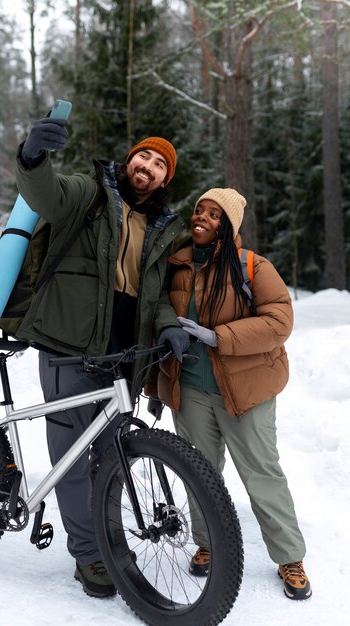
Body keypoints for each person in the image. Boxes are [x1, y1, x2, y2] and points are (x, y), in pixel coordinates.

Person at [14, 114, 190, 599]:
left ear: (163, 181)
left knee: (110, 457)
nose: (149, 167)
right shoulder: (90, 194)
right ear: (129, 158)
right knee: (71, 459)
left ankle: (105, 542)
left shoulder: (160, 228)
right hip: (68, 344)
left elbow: (152, 297)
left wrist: (170, 327)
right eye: (144, 156)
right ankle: (90, 556)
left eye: (160, 165)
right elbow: (46, 193)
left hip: (120, 357)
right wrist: (33, 155)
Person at [146, 187, 312, 601]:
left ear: (229, 226)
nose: (202, 218)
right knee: (199, 474)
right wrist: (155, 386)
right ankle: (208, 542)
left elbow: (279, 322)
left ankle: (289, 556)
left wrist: (218, 336)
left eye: (214, 215)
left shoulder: (252, 267)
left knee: (261, 474)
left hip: (246, 392)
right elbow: (155, 324)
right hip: (190, 390)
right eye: (199, 210)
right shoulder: (177, 266)